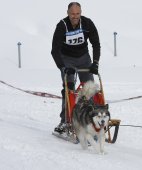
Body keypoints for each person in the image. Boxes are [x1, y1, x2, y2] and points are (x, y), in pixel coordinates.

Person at [51, 2, 101, 133]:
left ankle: (91, 119)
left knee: (90, 88)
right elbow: (54, 50)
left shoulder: (87, 23)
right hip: (67, 59)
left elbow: (96, 44)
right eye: (72, 13)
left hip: (84, 58)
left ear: (81, 13)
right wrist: (62, 67)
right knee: (69, 89)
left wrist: (95, 63)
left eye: (77, 13)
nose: (75, 16)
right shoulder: (62, 26)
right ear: (67, 13)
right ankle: (65, 121)